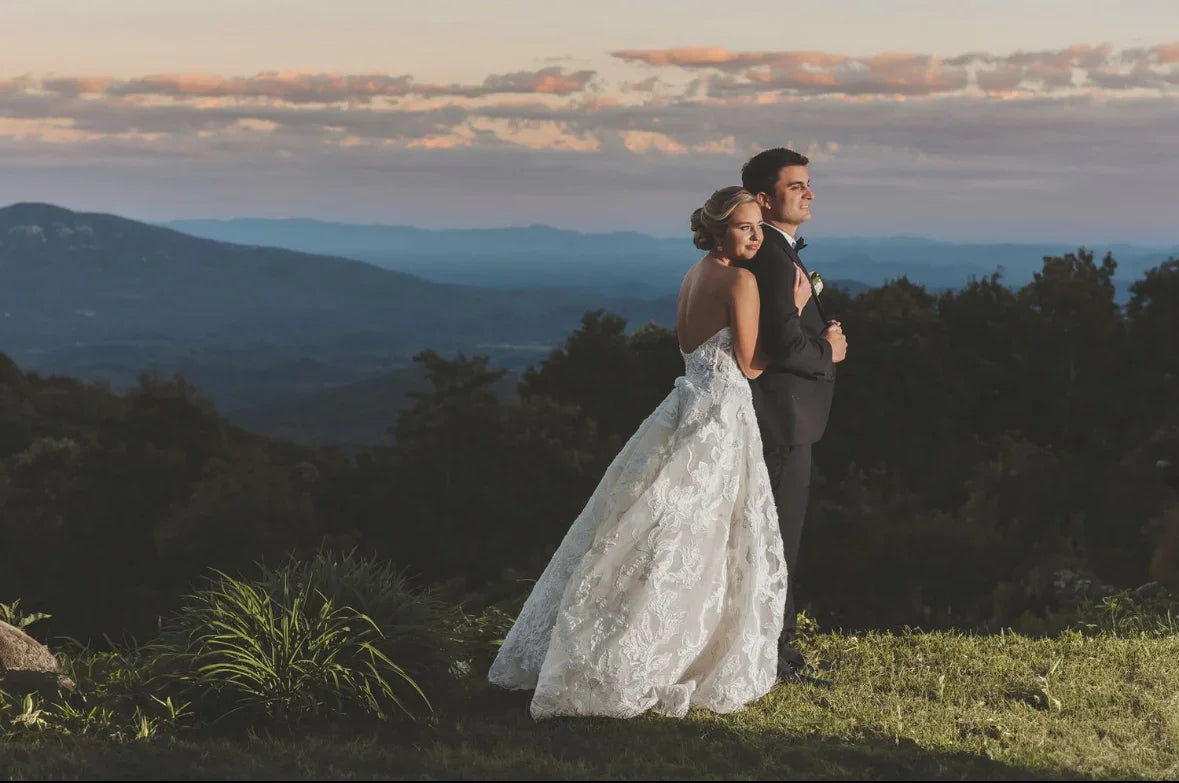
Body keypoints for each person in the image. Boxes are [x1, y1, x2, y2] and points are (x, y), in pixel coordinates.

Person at [488, 186, 813, 719]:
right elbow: (752, 365)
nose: (756, 236)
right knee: (703, 530)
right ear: (719, 230)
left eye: (758, 226)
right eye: (745, 227)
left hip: (686, 403)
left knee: (658, 523)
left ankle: (627, 641)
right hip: (723, 414)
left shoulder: (695, 275)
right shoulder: (739, 279)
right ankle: (664, 653)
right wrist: (795, 311)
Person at [738, 148, 848, 686]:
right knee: (779, 540)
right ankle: (775, 658)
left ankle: (778, 648)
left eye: (808, 183)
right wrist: (829, 351)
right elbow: (783, 346)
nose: (809, 192)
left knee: (779, 536)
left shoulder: (776, 252)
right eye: (796, 185)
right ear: (765, 198)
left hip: (787, 419)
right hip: (783, 420)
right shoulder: (774, 258)